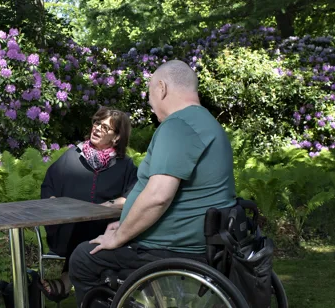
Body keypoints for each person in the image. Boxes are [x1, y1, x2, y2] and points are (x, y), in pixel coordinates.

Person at [68, 59, 237, 306]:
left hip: (175, 252)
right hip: (205, 245)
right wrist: (126, 223)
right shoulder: (207, 123)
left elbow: (158, 197)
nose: (149, 102)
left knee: (84, 258)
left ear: (162, 88)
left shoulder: (178, 125)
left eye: (149, 93)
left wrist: (120, 236)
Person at [39, 107, 138, 301]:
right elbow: (49, 187)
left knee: (97, 226)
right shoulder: (72, 156)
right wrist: (53, 203)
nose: (97, 128)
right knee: (79, 226)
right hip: (68, 229)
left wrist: (103, 207)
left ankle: (68, 279)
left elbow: (132, 196)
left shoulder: (125, 165)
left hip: (107, 230)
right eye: (97, 123)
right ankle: (76, 279)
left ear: (117, 137)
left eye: (105, 127)